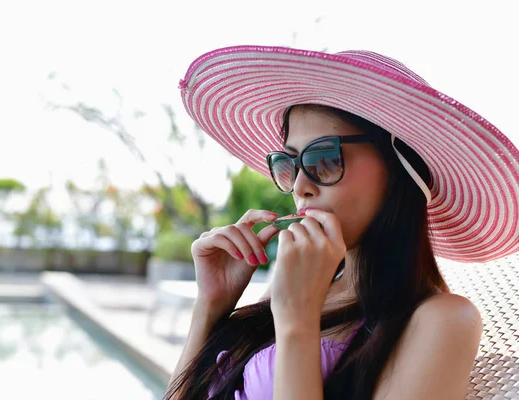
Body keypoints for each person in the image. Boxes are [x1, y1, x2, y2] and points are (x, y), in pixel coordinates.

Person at [164, 46, 519, 399]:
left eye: (323, 157)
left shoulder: (443, 320)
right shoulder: (290, 290)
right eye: (289, 164)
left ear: (400, 170)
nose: (301, 186)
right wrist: (210, 306)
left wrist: (298, 323)